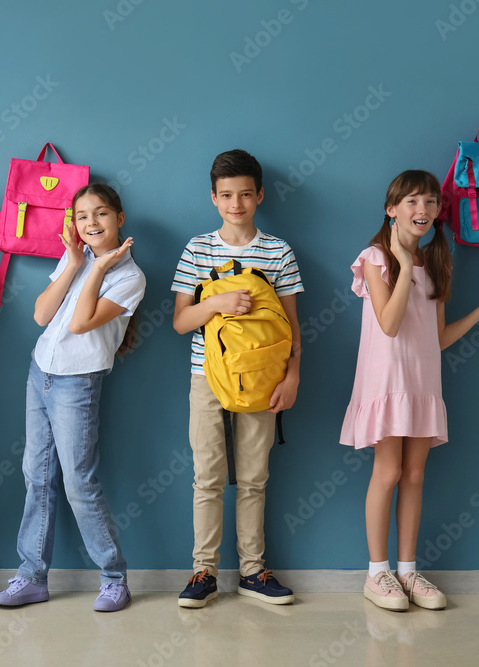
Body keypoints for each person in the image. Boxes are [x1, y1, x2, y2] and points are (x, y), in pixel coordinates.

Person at [341, 170, 479, 611]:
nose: (421, 210)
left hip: (423, 383)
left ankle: (407, 571)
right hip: (387, 382)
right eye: (411, 202)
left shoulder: (438, 264)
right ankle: (377, 574)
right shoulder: (374, 258)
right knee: (387, 473)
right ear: (392, 210)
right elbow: (389, 325)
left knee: (414, 475)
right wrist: (405, 265)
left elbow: (437, 339)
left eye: (429, 202)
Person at [0, 183, 146, 613]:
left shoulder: (130, 277)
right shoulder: (74, 256)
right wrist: (77, 262)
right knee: (36, 476)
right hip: (40, 372)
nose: (91, 223)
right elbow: (42, 314)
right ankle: (31, 576)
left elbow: (80, 324)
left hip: (78, 382)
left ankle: (115, 578)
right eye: (82, 216)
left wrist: (95, 270)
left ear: (119, 218)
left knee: (79, 481)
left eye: (100, 214)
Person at [172, 149, 303, 608]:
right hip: (205, 377)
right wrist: (216, 305)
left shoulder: (278, 251)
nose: (236, 204)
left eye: (245, 194)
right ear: (213, 197)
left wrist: (293, 376)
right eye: (226, 195)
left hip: (264, 379)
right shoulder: (197, 249)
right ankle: (203, 571)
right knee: (206, 475)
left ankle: (252, 570)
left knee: (254, 476)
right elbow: (180, 322)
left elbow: (290, 325)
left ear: (260, 195)